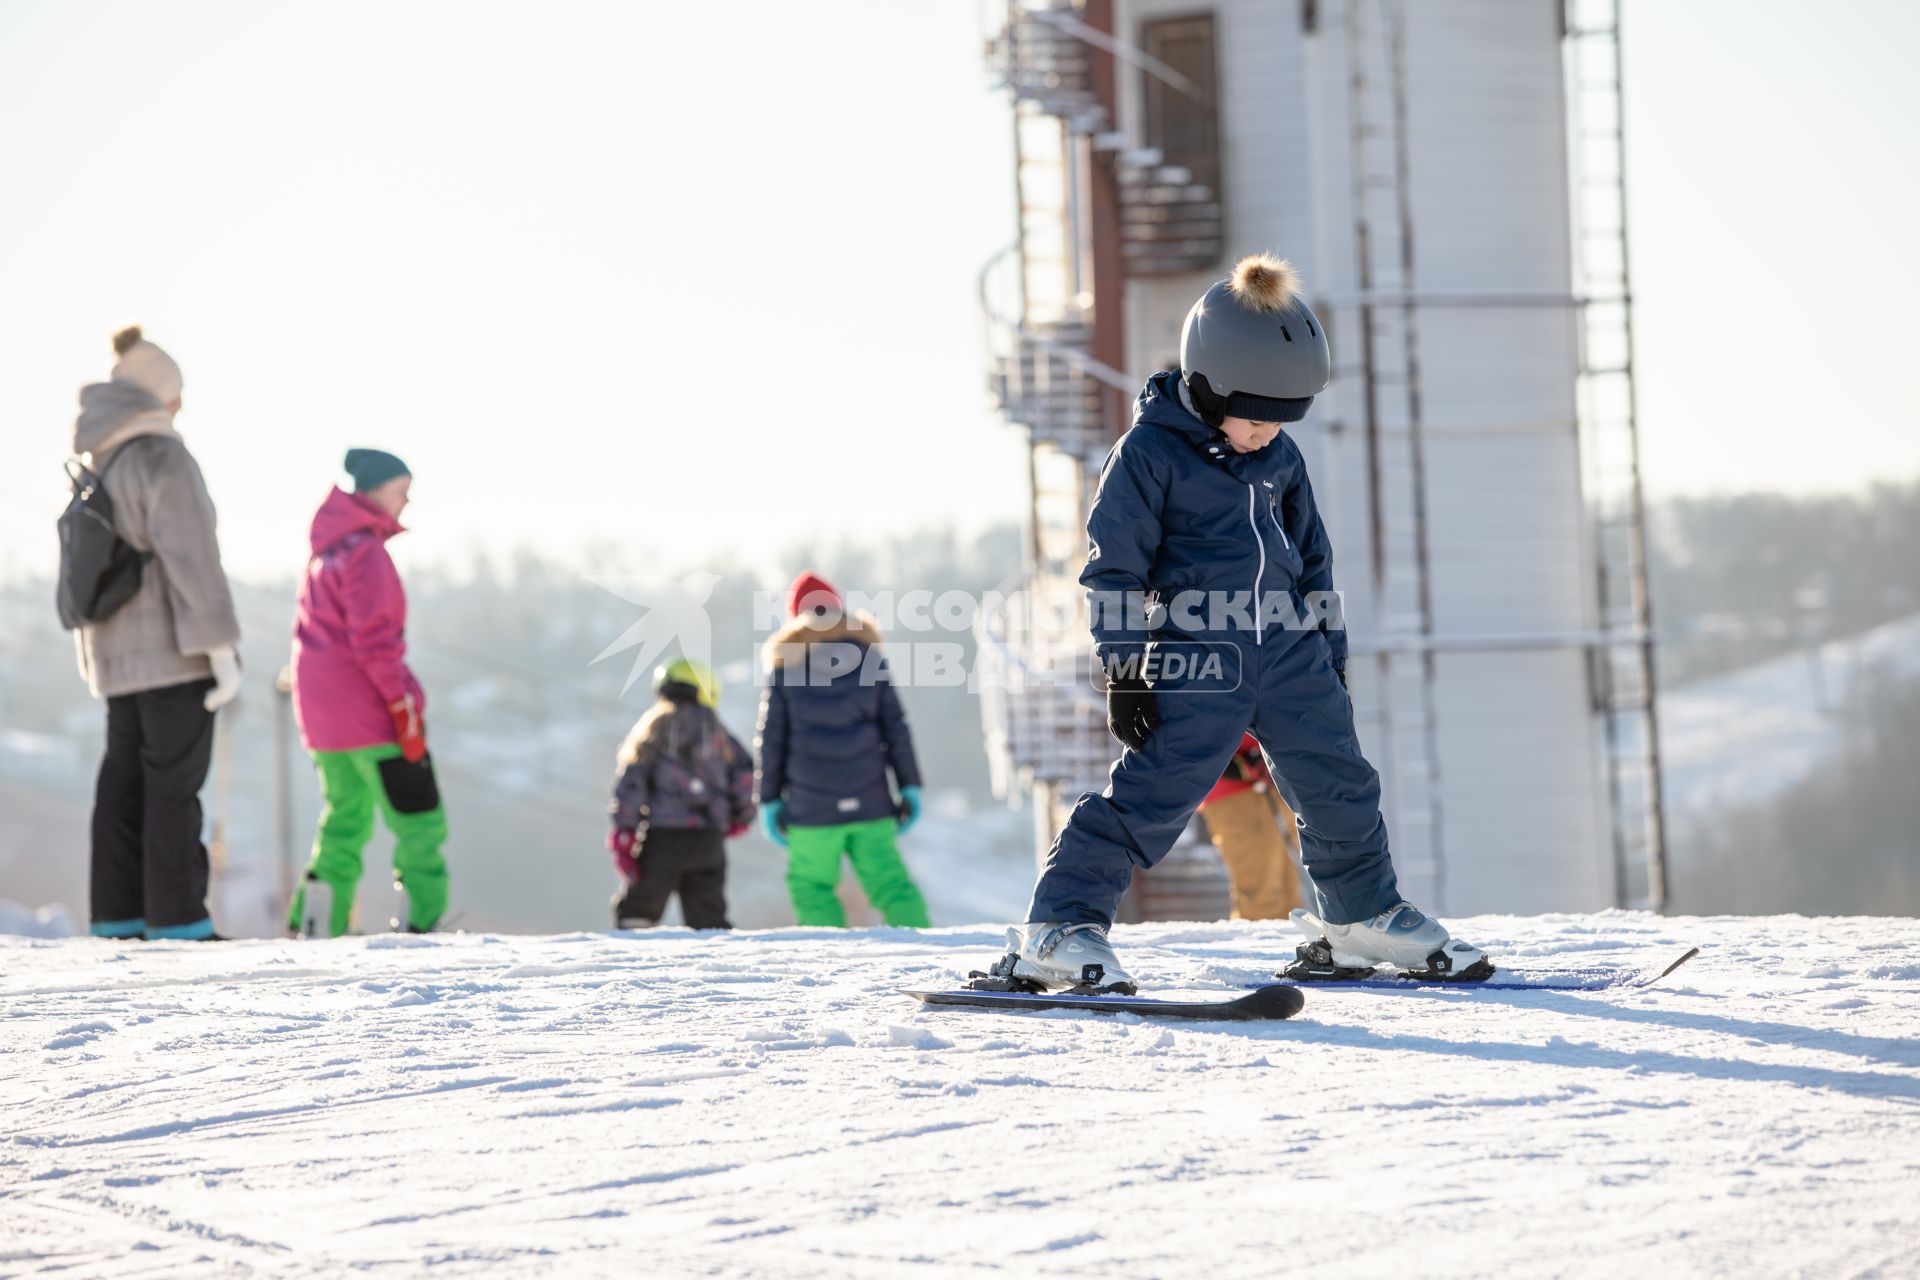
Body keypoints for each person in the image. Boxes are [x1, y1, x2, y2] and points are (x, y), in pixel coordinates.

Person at [999, 254, 1491, 991]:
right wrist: (1126, 669)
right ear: (1206, 387)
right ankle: (1058, 926)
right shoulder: (1148, 456)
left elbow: (1313, 557)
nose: (1269, 433)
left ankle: (1359, 918)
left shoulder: (1278, 457)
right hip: (1201, 654)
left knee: (1341, 786)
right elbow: (1114, 571)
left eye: (1285, 419)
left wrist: (1330, 651)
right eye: (1257, 417)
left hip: (1290, 651)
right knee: (1152, 797)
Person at [72, 326, 242, 941]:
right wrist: (219, 649)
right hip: (175, 652)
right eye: (176, 395)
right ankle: (180, 923)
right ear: (156, 395)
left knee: (123, 784)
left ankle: (120, 918)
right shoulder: (162, 455)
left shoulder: (103, 459)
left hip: (114, 658)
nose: (179, 408)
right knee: (174, 787)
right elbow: (191, 559)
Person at [285, 449, 449, 936]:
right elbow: (374, 642)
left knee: (344, 821)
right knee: (418, 818)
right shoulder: (366, 553)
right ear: (376, 491)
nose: (406, 501)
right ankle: (421, 923)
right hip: (372, 714)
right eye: (401, 490)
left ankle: (317, 922)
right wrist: (403, 706)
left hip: (322, 720)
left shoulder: (325, 552)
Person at [755, 571, 930, 928]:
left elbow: (771, 740)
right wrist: (909, 786)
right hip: (870, 801)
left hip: (810, 808)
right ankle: (926, 953)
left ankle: (827, 963)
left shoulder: (785, 666)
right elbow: (896, 728)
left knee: (812, 886)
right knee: (892, 886)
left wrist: (769, 799)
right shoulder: (869, 658)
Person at [607, 658, 755, 930]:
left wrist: (624, 830)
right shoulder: (718, 732)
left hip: (663, 839)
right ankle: (719, 968)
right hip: (708, 839)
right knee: (709, 916)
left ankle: (627, 967)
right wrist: (741, 818)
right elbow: (745, 777)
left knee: (637, 912)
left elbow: (632, 782)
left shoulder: (653, 728)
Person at [1197, 732, 1302, 921]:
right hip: (1233, 789)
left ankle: (1287, 947)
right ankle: (1263, 948)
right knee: (1261, 894)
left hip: (1278, 779)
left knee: (1290, 893)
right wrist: (1243, 764)